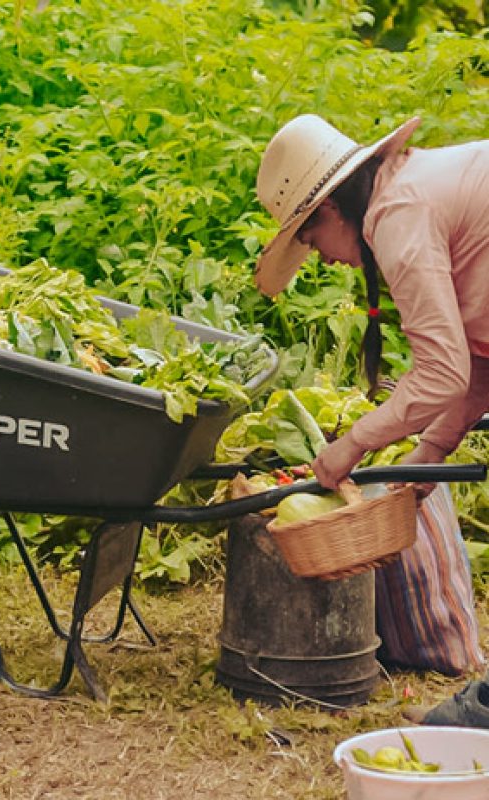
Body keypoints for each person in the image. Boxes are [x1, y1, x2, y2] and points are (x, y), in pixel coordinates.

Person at [255, 114, 489, 727]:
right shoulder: (408, 192)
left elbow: (444, 373)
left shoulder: (399, 216)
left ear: (332, 209)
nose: (321, 259)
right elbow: (478, 361)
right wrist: (433, 450)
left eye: (309, 240)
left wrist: (352, 446)